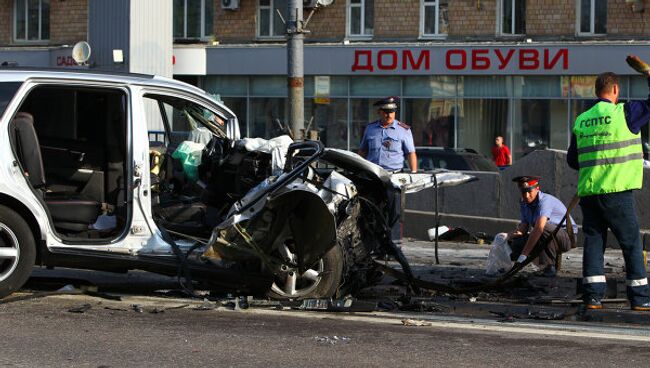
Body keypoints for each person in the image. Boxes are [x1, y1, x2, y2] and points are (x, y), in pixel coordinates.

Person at [567, 66, 650, 311]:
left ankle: (592, 297)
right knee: (631, 243)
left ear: (596, 91)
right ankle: (640, 297)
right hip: (617, 193)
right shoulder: (624, 112)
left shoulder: (582, 119)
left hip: (590, 194)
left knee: (593, 243)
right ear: (615, 90)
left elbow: (573, 160)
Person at [507, 176, 575, 277]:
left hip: (566, 238)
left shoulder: (545, 201)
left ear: (537, 188)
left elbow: (539, 228)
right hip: (546, 234)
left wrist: (523, 255)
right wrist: (507, 236)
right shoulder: (523, 203)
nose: (526, 195)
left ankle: (548, 267)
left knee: (543, 228)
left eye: (529, 191)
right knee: (516, 244)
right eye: (523, 192)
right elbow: (524, 227)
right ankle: (538, 263)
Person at [359, 96, 417, 173]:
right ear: (379, 112)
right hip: (372, 174)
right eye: (386, 112)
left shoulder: (403, 130)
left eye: (391, 112)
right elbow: (362, 152)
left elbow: (411, 154)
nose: (389, 115)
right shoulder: (370, 129)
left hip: (394, 174)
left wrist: (413, 172)